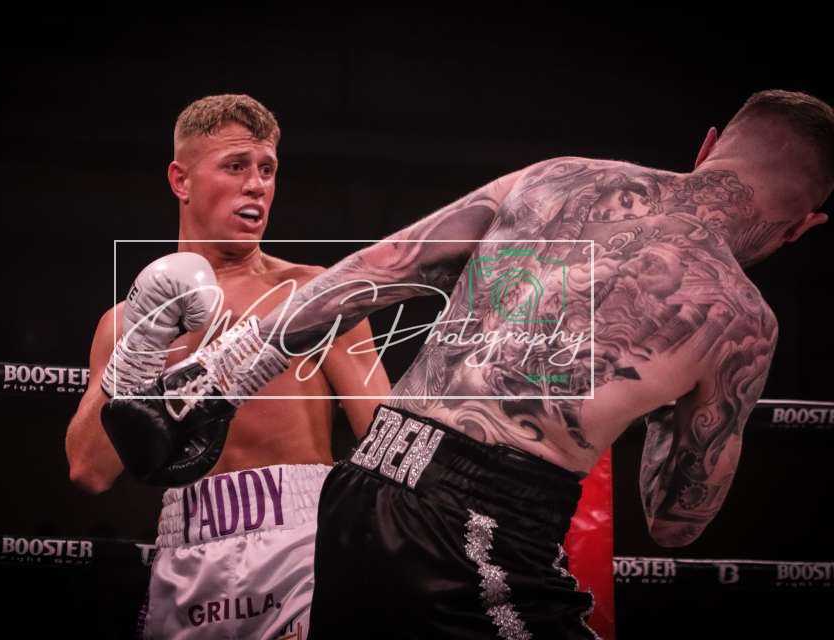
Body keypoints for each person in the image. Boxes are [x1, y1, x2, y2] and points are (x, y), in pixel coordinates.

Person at [119, 89, 832, 638]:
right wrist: (668, 411)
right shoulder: (743, 323)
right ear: (804, 226)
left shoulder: (561, 176)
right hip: (483, 527)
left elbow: (383, 267)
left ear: (709, 146)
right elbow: (676, 521)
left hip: (363, 486)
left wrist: (224, 376)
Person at [65, 94, 390, 639]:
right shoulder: (123, 323)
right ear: (181, 180)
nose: (256, 185)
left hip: (301, 545)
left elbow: (389, 441)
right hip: (184, 552)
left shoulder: (315, 294)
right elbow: (89, 471)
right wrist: (142, 338)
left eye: (267, 169)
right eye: (236, 166)